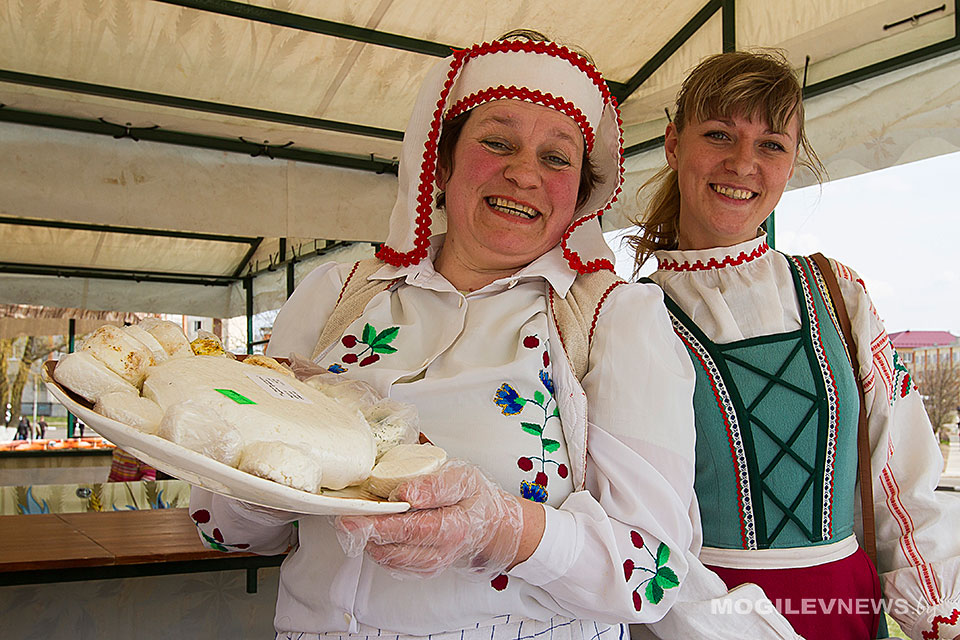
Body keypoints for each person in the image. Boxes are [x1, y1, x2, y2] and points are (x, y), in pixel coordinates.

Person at [189, 32, 799, 640]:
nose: (523, 174)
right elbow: (225, 530)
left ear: (580, 196)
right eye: (497, 142)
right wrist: (263, 471)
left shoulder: (612, 318)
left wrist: (501, 528)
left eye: (556, 158)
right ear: (444, 161)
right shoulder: (334, 295)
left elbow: (652, 575)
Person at [629, 50, 960, 639]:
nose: (742, 163)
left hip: (844, 611)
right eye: (719, 134)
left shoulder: (837, 292)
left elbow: (901, 481)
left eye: (771, 145)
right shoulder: (631, 315)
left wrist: (937, 617)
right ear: (674, 144)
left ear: (792, 163)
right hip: (700, 617)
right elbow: (637, 522)